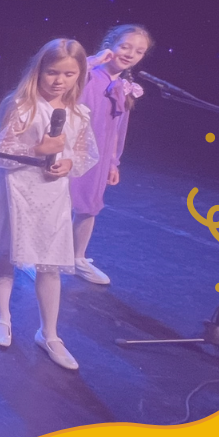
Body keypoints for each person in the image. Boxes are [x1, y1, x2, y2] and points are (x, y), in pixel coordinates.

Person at [0, 39, 98, 370]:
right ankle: (2, 317)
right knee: (7, 252)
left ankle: (49, 334)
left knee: (50, 264)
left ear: (79, 76)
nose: (59, 81)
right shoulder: (22, 106)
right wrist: (38, 150)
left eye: (68, 74)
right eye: (53, 72)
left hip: (52, 196)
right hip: (17, 190)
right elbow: (1, 151)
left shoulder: (78, 114)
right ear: (39, 71)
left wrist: (68, 163)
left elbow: (83, 153)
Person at [67, 25, 152, 284]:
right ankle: (36, 259)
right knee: (58, 203)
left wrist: (113, 161)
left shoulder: (123, 87)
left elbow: (117, 128)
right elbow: (65, 77)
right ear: (110, 45)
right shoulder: (89, 74)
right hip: (71, 148)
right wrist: (92, 61)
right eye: (125, 46)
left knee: (89, 206)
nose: (130, 54)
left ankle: (77, 257)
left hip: (99, 154)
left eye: (139, 51)